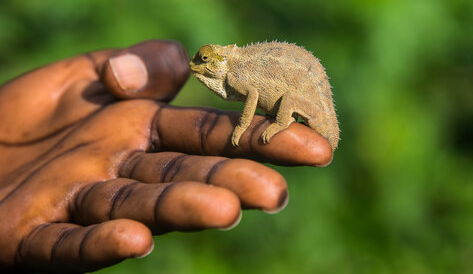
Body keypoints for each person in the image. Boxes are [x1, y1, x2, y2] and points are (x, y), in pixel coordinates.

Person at [0, 40, 332, 272]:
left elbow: (255, 93)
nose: (198, 67)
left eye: (204, 60)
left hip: (301, 96)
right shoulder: (236, 68)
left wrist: (249, 124)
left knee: (292, 114)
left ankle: (285, 118)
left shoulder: (236, 71)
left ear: (219, 60)